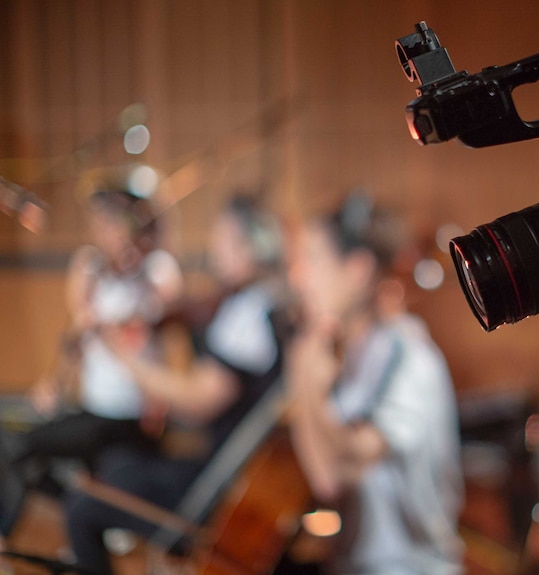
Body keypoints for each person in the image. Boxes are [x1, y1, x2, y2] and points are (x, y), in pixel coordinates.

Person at [63, 193, 290, 575]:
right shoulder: (255, 303)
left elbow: (196, 401)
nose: (214, 251)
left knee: (81, 507)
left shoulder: (252, 315)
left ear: (249, 249)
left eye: (222, 241)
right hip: (223, 470)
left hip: (224, 492)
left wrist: (126, 358)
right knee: (117, 467)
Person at [286, 193, 465, 575]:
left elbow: (337, 474)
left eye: (314, 259)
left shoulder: (409, 359)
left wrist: (305, 384)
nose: (299, 277)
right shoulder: (342, 356)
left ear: (358, 270)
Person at [0, 185, 183, 538]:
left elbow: (167, 309)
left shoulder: (155, 268)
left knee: (25, 449)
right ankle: (26, 531)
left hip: (134, 417)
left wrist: (143, 255)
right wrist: (55, 382)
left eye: (109, 224)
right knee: (20, 451)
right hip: (95, 408)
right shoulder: (91, 267)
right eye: (98, 225)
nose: (101, 233)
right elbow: (77, 338)